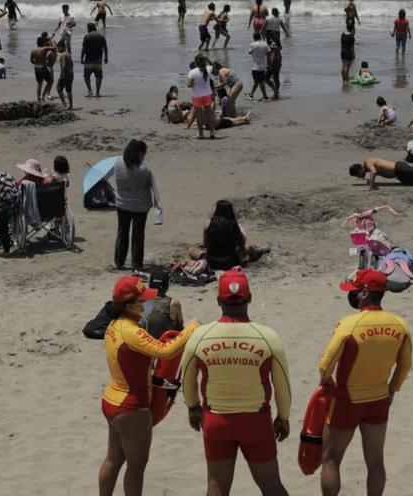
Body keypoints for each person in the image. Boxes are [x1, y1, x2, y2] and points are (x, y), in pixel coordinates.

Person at [180, 268, 291, 496]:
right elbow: (283, 386)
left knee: (216, 487)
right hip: (256, 422)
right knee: (271, 486)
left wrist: (193, 407)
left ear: (218, 300)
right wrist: (283, 417)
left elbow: (186, 379)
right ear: (249, 298)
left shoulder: (199, 336)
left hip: (215, 420)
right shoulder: (268, 337)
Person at [99, 275, 199, 496]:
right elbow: (165, 351)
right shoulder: (132, 332)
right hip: (132, 408)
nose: (147, 304)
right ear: (130, 304)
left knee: (112, 460)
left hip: (110, 400)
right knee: (136, 468)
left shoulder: (113, 325)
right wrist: (190, 329)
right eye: (143, 301)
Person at [320, 269, 412, 496]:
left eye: (354, 290)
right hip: (379, 398)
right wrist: (392, 389)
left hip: (347, 399)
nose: (351, 295)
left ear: (363, 294)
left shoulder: (348, 325)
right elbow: (405, 365)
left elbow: (326, 363)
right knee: (375, 462)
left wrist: (327, 381)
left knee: (331, 460)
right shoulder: (400, 325)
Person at [114, 140, 160, 270]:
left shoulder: (117, 163)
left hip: (122, 203)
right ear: (140, 153)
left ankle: (119, 261)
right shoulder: (144, 170)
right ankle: (136, 263)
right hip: (140, 206)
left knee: (122, 232)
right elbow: (152, 188)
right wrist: (158, 207)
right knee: (138, 235)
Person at [193, 200, 271, 270]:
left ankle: (259, 250)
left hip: (212, 262)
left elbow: (205, 244)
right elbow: (242, 242)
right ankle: (260, 250)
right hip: (230, 262)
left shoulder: (208, 223)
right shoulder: (234, 225)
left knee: (192, 251)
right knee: (249, 249)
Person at [186, 55, 216, 139]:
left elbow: (189, 85)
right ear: (204, 61)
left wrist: (190, 81)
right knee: (209, 114)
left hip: (197, 95)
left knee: (199, 115)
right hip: (207, 94)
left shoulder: (192, 72)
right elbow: (215, 69)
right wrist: (208, 60)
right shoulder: (208, 68)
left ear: (195, 62)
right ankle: (212, 132)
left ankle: (201, 134)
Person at [81, 23, 108, 98]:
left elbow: (83, 49)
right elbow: (105, 48)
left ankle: (90, 91)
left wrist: (81, 58)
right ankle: (97, 92)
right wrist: (106, 57)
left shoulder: (87, 36)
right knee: (98, 76)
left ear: (89, 28)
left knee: (86, 77)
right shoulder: (100, 36)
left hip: (89, 60)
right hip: (98, 60)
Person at [30, 37, 56, 103]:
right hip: (43, 68)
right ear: (42, 43)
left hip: (36, 69)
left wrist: (36, 64)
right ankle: (43, 96)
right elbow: (55, 47)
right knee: (50, 81)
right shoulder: (44, 48)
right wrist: (51, 40)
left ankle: (38, 99)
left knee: (39, 84)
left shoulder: (33, 50)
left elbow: (31, 60)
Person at [247, 33, 271, 101]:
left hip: (255, 67)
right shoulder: (265, 44)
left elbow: (249, 52)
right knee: (258, 82)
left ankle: (265, 97)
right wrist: (268, 65)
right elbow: (268, 54)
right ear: (260, 37)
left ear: (254, 37)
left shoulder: (252, 45)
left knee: (259, 82)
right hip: (263, 66)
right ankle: (251, 94)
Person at [54, 41, 74, 110]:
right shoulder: (68, 54)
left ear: (62, 47)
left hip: (65, 75)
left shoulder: (63, 55)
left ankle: (64, 104)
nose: (57, 50)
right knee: (69, 90)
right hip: (70, 74)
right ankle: (71, 105)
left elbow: (64, 65)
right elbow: (72, 64)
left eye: (58, 48)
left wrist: (61, 74)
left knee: (58, 89)